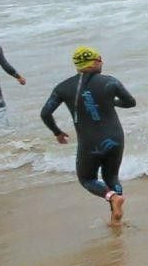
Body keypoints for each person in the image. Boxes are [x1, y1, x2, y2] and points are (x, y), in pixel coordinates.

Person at [40, 46, 135, 226]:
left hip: (90, 142)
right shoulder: (110, 82)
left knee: (87, 178)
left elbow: (45, 113)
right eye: (100, 59)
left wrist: (57, 132)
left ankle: (113, 198)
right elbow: (130, 102)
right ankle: (116, 213)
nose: (102, 63)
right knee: (112, 177)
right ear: (94, 62)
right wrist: (110, 102)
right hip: (115, 137)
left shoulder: (62, 87)